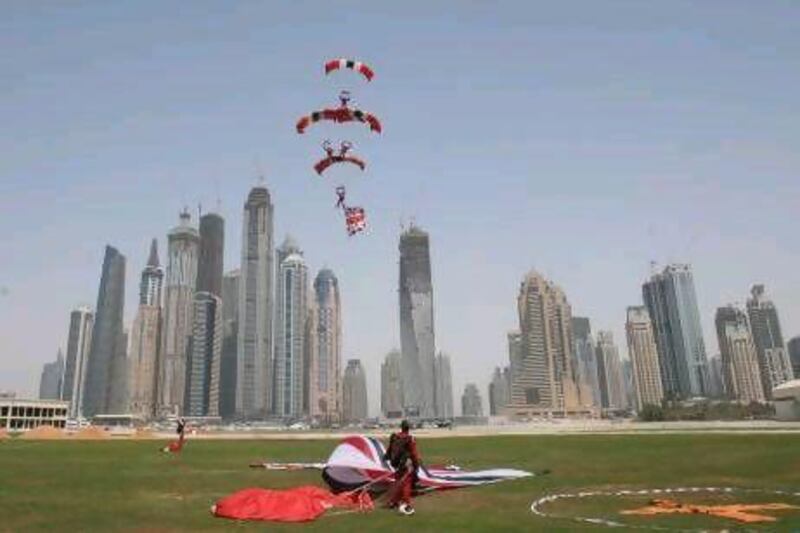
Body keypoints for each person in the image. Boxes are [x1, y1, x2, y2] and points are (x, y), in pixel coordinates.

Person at [383, 420, 420, 516]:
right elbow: (414, 454)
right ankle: (406, 504)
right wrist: (416, 465)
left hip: (395, 463)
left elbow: (389, 450)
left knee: (399, 481)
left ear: (401, 427)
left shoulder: (395, 437)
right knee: (406, 483)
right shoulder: (409, 439)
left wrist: (387, 458)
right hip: (404, 465)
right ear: (408, 428)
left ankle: (393, 501)